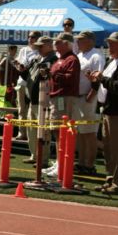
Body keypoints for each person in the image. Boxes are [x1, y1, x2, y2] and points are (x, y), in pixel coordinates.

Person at [88, 31, 118, 195]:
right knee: (109, 149)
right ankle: (111, 179)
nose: (110, 45)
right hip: (108, 110)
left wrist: (102, 79)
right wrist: (96, 80)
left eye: (113, 43)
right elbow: (106, 85)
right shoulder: (112, 61)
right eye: (109, 42)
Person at [42, 32, 80, 178]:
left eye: (58, 42)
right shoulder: (61, 59)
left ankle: (62, 164)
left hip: (64, 97)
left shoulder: (71, 59)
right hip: (56, 97)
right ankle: (59, 162)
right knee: (57, 132)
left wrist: (54, 75)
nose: (55, 45)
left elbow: (70, 78)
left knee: (61, 132)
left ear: (66, 43)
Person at [17, 36, 56, 166]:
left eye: (41, 46)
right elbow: (29, 76)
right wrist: (22, 71)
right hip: (33, 99)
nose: (38, 48)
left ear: (50, 46)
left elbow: (49, 78)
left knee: (43, 131)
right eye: (38, 46)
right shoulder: (37, 59)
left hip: (43, 100)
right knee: (32, 129)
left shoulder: (53, 59)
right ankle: (34, 155)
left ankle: (43, 158)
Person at [74, 31, 104, 174]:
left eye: (81, 40)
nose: (78, 42)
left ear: (90, 40)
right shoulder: (80, 55)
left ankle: (90, 164)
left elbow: (97, 76)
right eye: (78, 40)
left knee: (89, 132)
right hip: (78, 97)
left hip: (88, 97)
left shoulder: (96, 55)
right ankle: (81, 162)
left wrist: (91, 95)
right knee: (80, 132)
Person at [14, 31, 41, 140]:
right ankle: (22, 132)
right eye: (29, 37)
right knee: (21, 108)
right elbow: (17, 63)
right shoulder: (23, 50)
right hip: (22, 82)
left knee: (33, 109)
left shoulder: (40, 52)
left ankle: (32, 134)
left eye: (33, 37)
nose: (30, 39)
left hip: (34, 84)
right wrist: (19, 66)